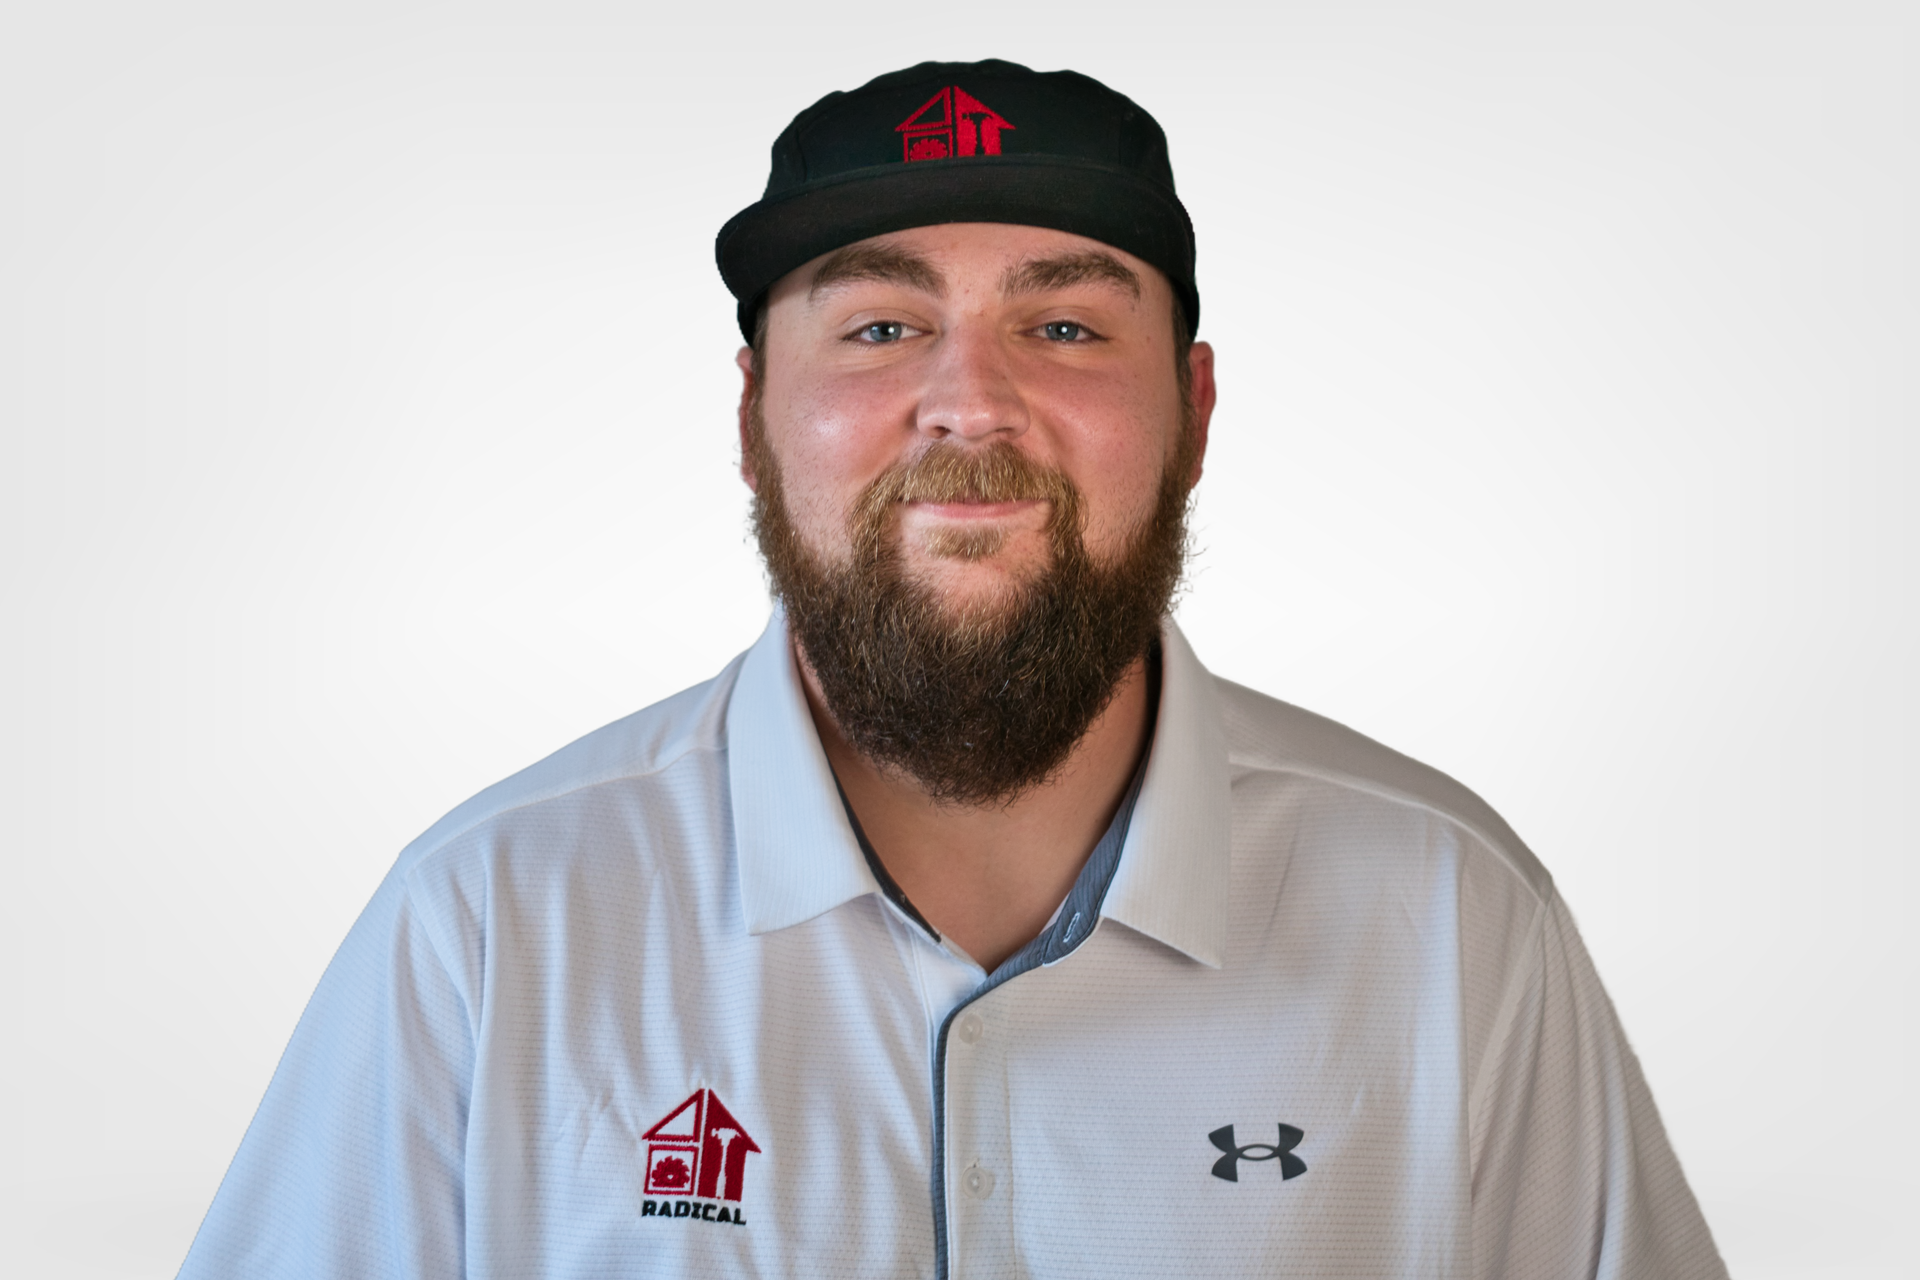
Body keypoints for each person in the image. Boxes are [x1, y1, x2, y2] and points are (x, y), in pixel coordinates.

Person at [177, 60, 1727, 1279]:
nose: (969, 407)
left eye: (1061, 324)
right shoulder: (490, 924)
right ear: (751, 414)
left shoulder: (1451, 917)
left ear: (1191, 410)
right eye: (878, 327)